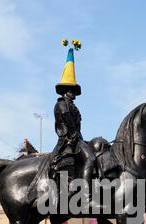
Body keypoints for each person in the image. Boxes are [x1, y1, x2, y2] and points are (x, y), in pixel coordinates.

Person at [53, 47, 96, 204]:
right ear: (65, 91)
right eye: (71, 90)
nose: (73, 93)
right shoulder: (62, 105)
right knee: (90, 159)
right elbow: (70, 125)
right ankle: (83, 193)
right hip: (68, 140)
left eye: (74, 90)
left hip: (77, 139)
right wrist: (76, 138)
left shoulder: (73, 106)